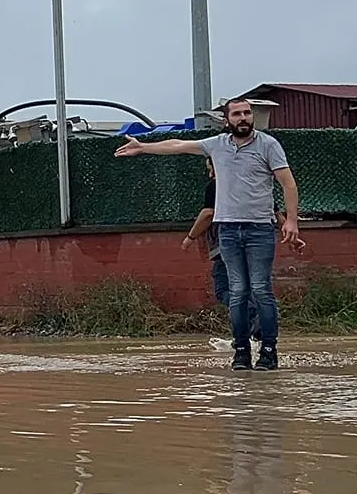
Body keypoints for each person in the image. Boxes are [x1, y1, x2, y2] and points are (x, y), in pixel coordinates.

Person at [118, 98, 300, 370]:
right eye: (237, 114)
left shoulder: (268, 145)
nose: (243, 118)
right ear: (227, 120)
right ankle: (241, 352)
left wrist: (291, 221)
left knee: (261, 289)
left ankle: (268, 351)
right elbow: (178, 145)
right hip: (228, 230)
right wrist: (144, 147)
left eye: (247, 113)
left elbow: (288, 183)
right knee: (237, 292)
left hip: (259, 229)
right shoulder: (217, 145)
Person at [184, 158, 304, 345]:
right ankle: (254, 332)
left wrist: (190, 237)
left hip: (227, 245)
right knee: (254, 288)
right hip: (257, 244)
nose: (210, 174)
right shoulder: (255, 184)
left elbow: (208, 214)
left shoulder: (217, 185)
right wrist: (292, 237)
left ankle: (255, 317)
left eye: (211, 169)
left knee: (225, 290)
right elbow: (276, 214)